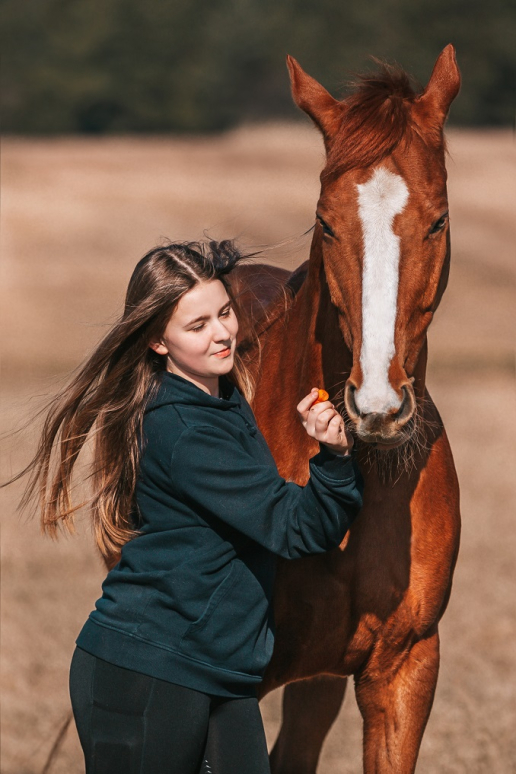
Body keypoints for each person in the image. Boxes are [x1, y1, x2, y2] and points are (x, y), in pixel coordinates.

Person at [23, 240, 363, 774]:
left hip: (221, 674)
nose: (223, 333)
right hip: (149, 672)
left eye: (224, 312)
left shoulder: (221, 398)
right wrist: (336, 458)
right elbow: (294, 528)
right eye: (197, 325)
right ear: (159, 341)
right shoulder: (185, 430)